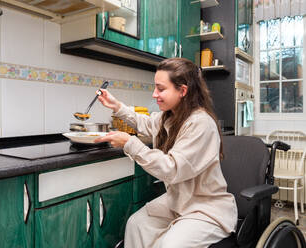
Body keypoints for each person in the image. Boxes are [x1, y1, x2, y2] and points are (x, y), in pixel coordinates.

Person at [94, 58, 237, 248]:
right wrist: (117, 106)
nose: (154, 94)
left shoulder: (201, 124)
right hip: (180, 201)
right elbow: (144, 122)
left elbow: (171, 168)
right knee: (136, 225)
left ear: (183, 91)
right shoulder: (170, 117)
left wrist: (130, 143)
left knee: (169, 244)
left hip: (205, 208)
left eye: (160, 89)